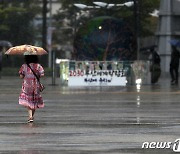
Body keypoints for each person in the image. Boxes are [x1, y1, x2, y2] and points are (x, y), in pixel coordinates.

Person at [19, 55, 45, 123]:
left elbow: (21, 76)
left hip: (27, 86)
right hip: (35, 86)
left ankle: (30, 117)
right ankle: (31, 116)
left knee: (28, 101)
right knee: (34, 101)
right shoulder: (38, 66)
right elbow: (42, 74)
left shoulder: (24, 66)